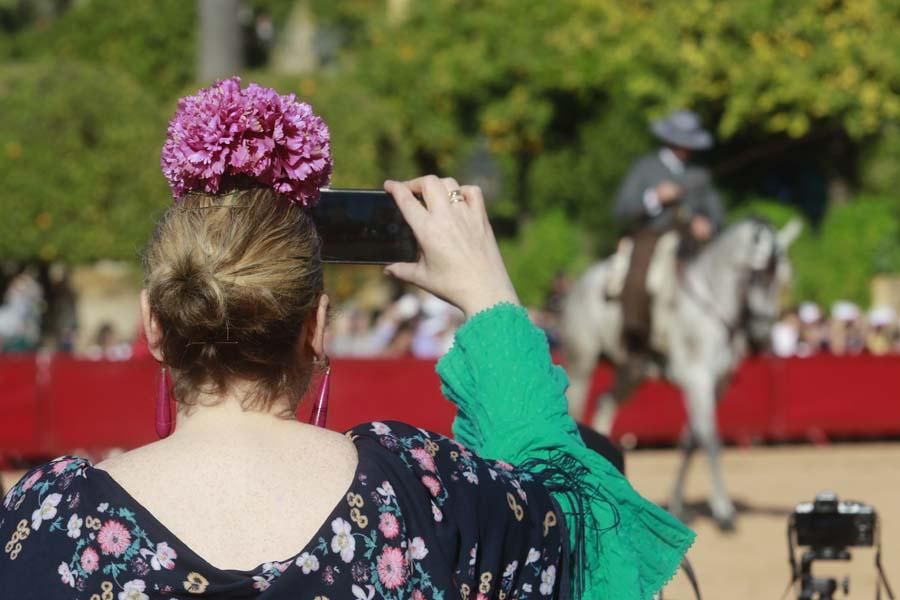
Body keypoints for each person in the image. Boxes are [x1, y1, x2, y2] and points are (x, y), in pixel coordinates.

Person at [0, 79, 692, 599]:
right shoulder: (428, 492)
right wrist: (490, 298)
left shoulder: (50, 518)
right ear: (318, 327)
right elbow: (575, 513)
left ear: (154, 323)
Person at [613, 110, 725, 354]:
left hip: (689, 242)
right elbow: (621, 209)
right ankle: (634, 336)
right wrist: (654, 197)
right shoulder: (645, 168)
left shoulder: (699, 174)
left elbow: (716, 212)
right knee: (641, 278)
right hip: (651, 236)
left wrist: (708, 224)